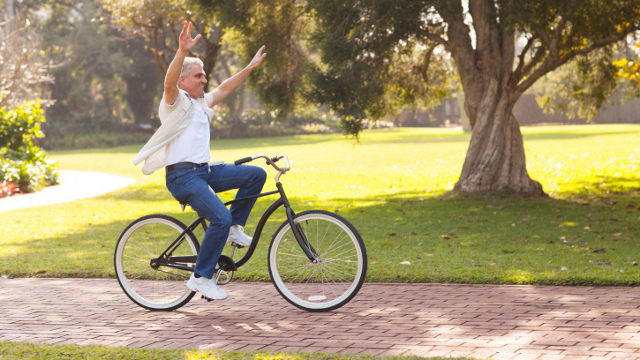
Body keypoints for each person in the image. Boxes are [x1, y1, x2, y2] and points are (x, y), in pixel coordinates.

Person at [133, 21, 267, 301]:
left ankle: (233, 229)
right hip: (183, 177)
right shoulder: (174, 101)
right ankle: (201, 277)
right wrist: (181, 51)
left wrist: (250, 67)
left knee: (255, 176)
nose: (204, 80)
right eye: (198, 76)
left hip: (204, 173)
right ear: (184, 81)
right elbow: (169, 81)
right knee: (219, 216)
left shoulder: (200, 103)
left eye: (204, 76)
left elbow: (226, 88)